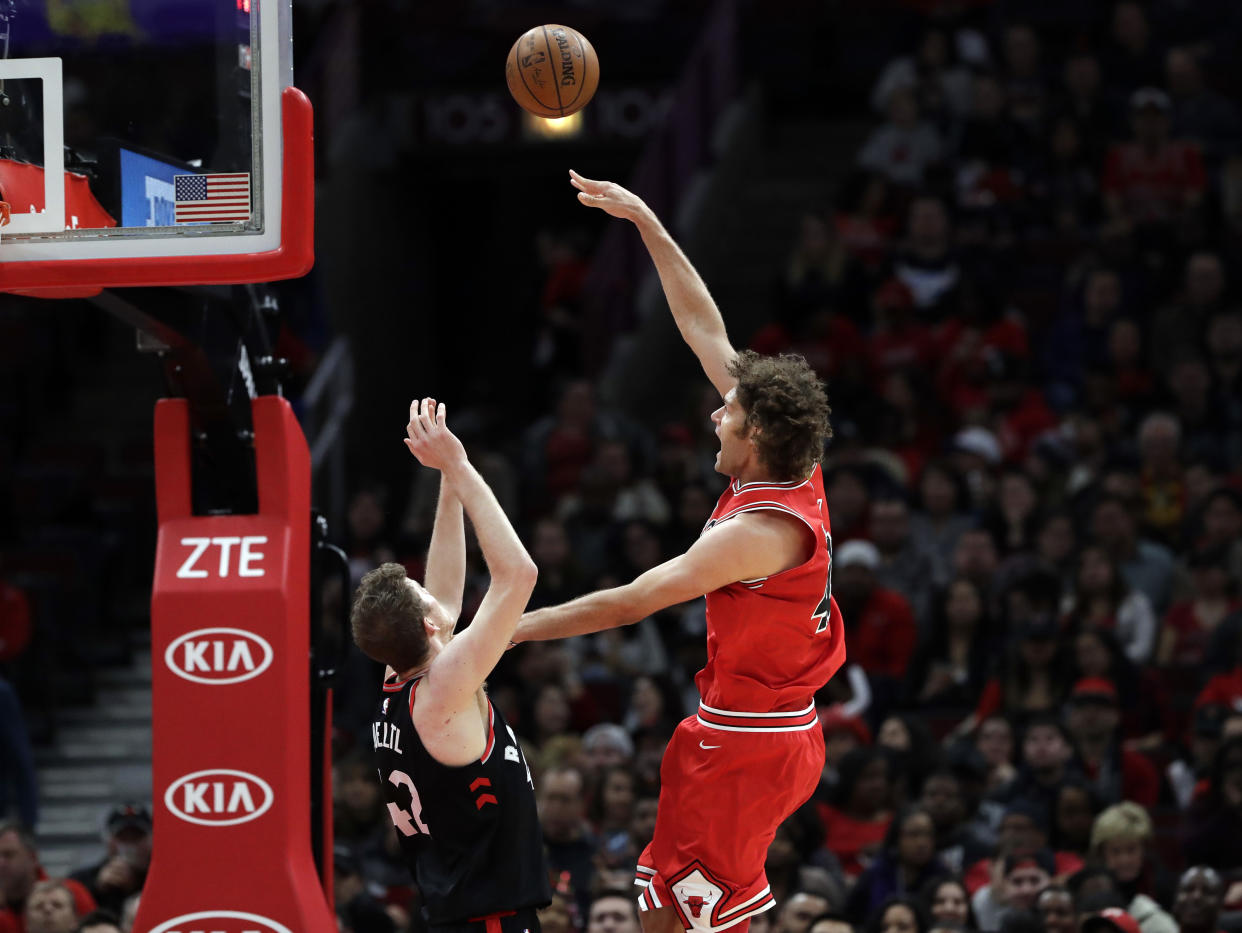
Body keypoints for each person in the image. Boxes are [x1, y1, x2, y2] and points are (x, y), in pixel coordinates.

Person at [513, 171, 841, 932]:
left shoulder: (757, 536)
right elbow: (704, 327)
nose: (714, 415)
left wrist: (505, 630)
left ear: (754, 434)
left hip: (750, 743)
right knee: (662, 902)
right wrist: (646, 221)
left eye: (727, 412)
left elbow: (632, 599)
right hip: (748, 725)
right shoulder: (792, 458)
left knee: (681, 922)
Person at [349, 397, 549, 933]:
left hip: (459, 913)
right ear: (429, 628)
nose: (432, 592)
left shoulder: (400, 678)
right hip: (489, 919)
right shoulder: (443, 690)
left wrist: (445, 480)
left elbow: (444, 594)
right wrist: (461, 466)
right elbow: (518, 575)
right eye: (422, 596)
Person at [0, 822, 95, 933]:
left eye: (9, 855)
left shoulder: (73, 892)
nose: (1, 863)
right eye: (39, 906)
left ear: (33, 857)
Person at [68, 805, 151, 917]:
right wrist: (97, 889)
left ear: (151, 840)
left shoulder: (164, 879)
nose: (129, 846)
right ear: (109, 841)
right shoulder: (81, 880)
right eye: (123, 837)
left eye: (136, 837)